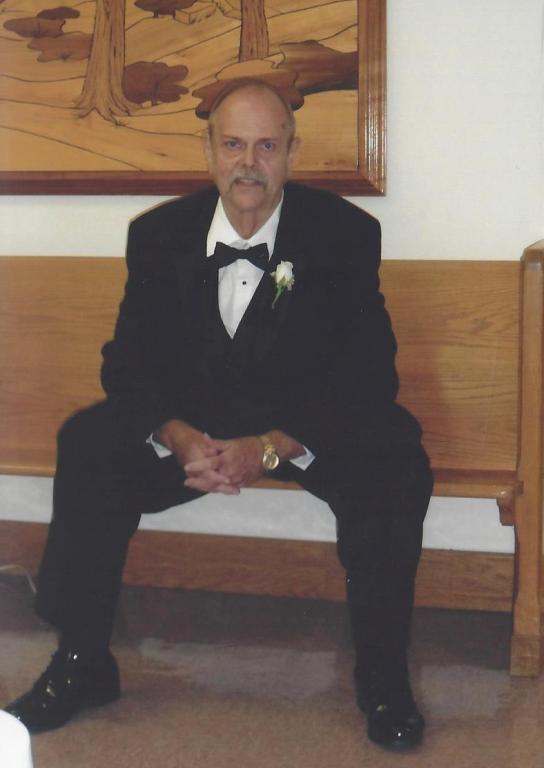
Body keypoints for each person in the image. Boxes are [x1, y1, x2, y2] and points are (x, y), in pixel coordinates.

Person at [4, 79, 433, 749]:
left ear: (292, 152)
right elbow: (126, 364)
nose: (248, 164)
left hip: (299, 428)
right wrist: (175, 434)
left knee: (394, 457)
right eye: (233, 145)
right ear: (208, 150)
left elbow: (370, 374)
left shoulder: (344, 234)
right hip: (194, 433)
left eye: (266, 147)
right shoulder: (159, 235)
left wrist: (271, 446)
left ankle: (383, 677)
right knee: (89, 443)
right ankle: (82, 660)